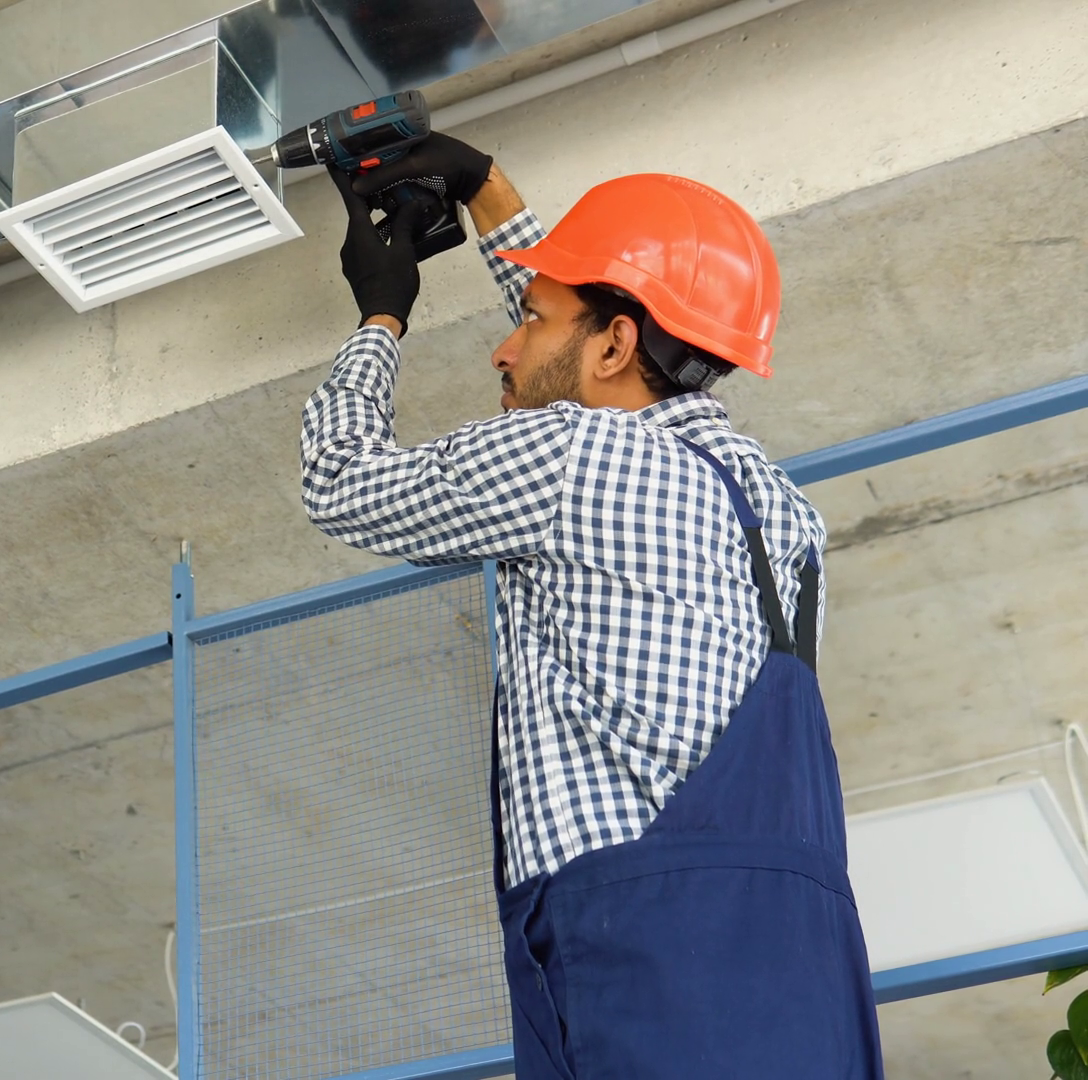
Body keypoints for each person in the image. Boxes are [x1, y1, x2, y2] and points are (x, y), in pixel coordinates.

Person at [298, 134, 885, 1078]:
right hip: (810, 981)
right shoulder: (783, 516)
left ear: (617, 344)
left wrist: (382, 314)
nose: (504, 346)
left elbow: (338, 480)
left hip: (648, 960)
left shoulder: (571, 457)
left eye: (527, 320)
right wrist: (485, 191)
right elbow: (582, 354)